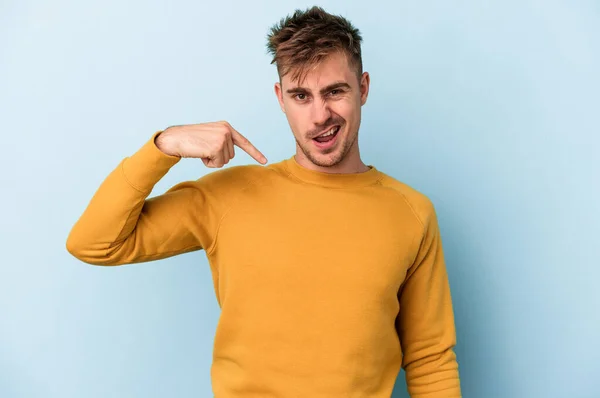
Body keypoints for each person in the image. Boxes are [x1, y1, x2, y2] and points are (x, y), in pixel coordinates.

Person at [66, 6, 462, 398]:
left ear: (363, 87)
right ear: (280, 97)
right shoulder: (225, 197)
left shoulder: (412, 212)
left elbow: (430, 359)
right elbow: (95, 242)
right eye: (301, 95)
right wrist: (163, 146)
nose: (320, 115)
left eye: (335, 92)